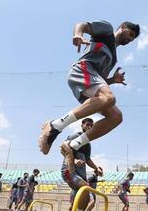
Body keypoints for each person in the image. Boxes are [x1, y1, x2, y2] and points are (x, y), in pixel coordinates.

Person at [39, 20, 140, 163]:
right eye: (130, 34)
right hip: (83, 69)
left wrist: (112, 80)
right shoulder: (107, 32)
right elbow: (83, 25)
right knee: (109, 98)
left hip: (90, 79)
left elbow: (100, 80)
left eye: (133, 39)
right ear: (122, 28)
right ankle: (55, 125)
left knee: (116, 116)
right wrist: (78, 34)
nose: (130, 39)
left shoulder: (113, 58)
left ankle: (74, 144)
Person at [62, 118, 103, 211]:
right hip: (69, 170)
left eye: (91, 126)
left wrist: (96, 168)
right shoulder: (76, 136)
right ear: (82, 125)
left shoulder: (88, 144)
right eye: (88, 125)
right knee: (85, 188)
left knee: (85, 195)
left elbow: (88, 159)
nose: (89, 127)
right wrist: (74, 160)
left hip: (81, 174)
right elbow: (63, 147)